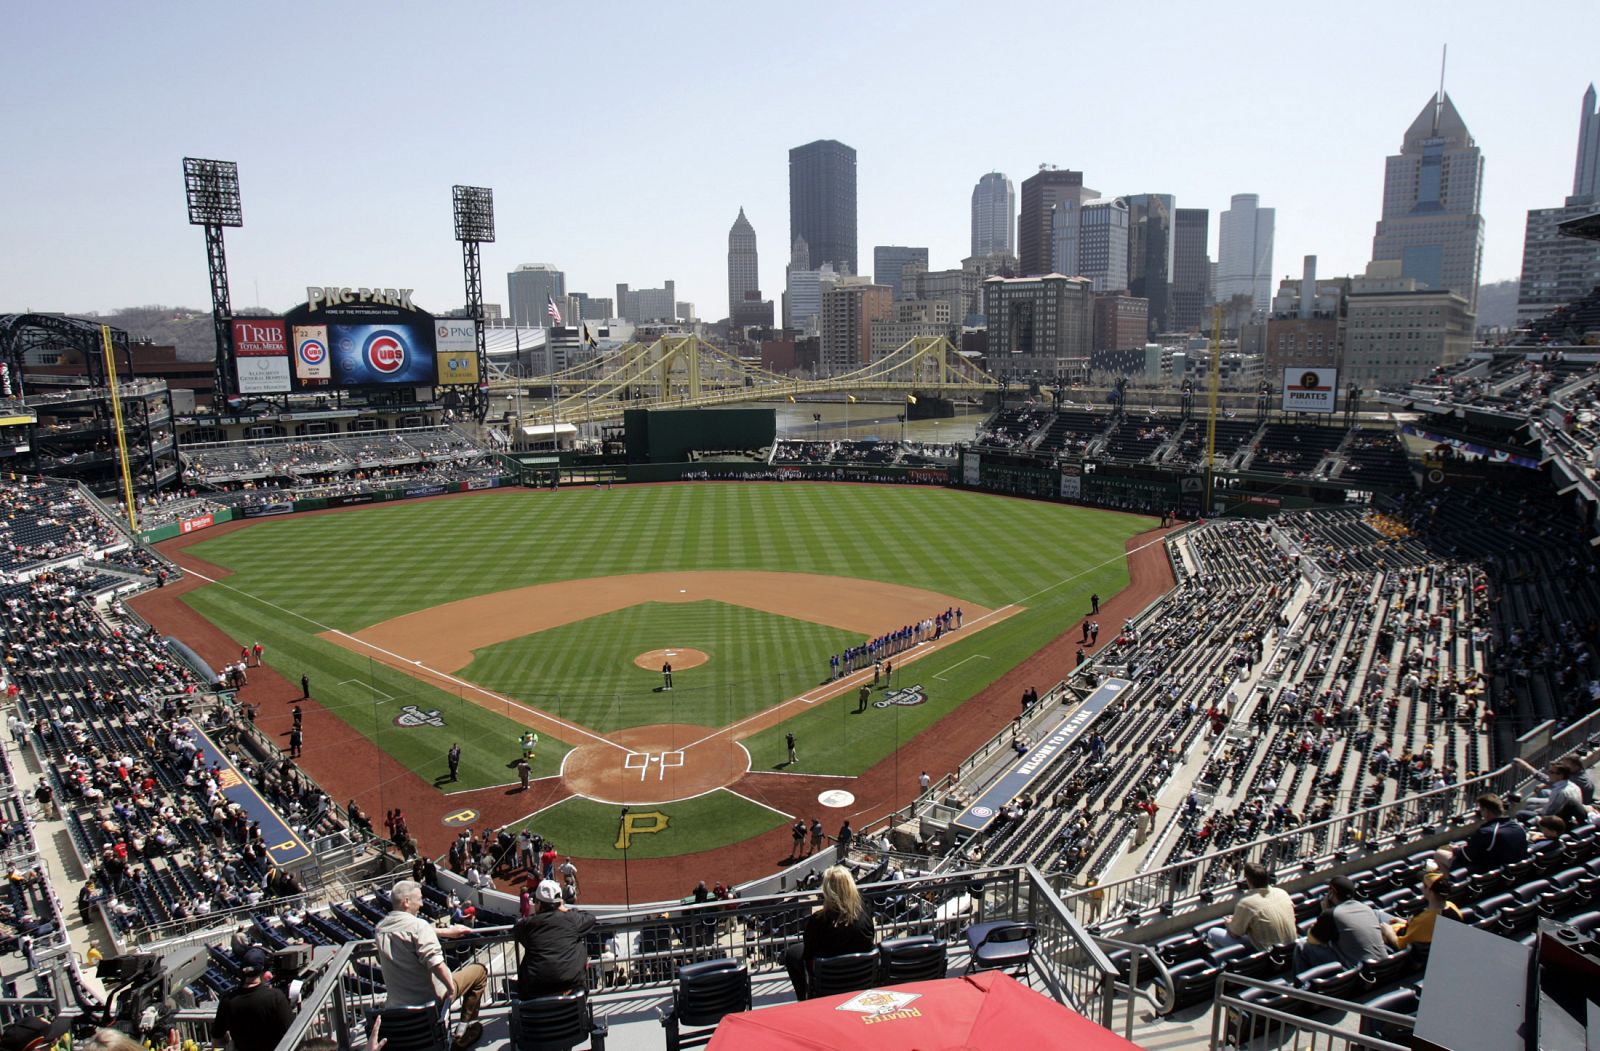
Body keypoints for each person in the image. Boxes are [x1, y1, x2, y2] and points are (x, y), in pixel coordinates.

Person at [374, 879, 487, 1051]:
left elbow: (408, 931)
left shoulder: (380, 928)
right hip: (430, 1000)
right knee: (479, 972)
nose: (421, 903)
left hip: (398, 1007)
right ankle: (464, 1032)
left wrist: (445, 932)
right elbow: (436, 964)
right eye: (418, 899)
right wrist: (450, 989)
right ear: (406, 902)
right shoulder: (419, 925)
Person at [784, 866, 876, 1000]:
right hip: (860, 978)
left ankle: (804, 1000)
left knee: (792, 953)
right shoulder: (864, 915)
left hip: (828, 982)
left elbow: (808, 955)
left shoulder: (818, 921)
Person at [513, 879, 596, 997]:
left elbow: (516, 929)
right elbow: (590, 918)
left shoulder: (529, 925)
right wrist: (566, 909)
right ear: (559, 903)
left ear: (539, 904)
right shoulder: (571, 919)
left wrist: (535, 916)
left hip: (535, 1000)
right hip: (572, 997)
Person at [1294, 875, 1389, 972]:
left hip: (1361, 972)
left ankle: (1299, 985)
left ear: (1332, 893)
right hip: (1384, 966)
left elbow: (1312, 940)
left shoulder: (1331, 914)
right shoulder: (1367, 908)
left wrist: (1324, 912)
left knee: (1301, 945)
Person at [212, 946, 293, 1051]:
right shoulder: (276, 997)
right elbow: (291, 1032)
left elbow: (217, 1037)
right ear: (263, 970)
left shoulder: (228, 1000)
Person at [1205, 863, 1297, 952]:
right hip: (1291, 948)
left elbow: (1235, 934)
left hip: (1268, 954)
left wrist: (1229, 922)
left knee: (1212, 933)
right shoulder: (1282, 893)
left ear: (1248, 880)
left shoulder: (1246, 903)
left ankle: (1230, 965)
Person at [1452, 793, 1528, 873]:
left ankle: (1449, 883)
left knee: (1440, 855)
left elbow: (1466, 856)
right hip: (1514, 871)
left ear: (1486, 810)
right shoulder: (1518, 826)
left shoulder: (1487, 832)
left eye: (1481, 809)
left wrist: (1455, 849)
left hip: (1491, 873)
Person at [1382, 876, 1463, 950]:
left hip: (1406, 952)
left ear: (1430, 892)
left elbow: (1400, 945)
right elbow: (1428, 928)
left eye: (1424, 886)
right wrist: (1408, 923)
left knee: (1376, 916)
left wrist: (1388, 931)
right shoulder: (1453, 908)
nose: (1422, 888)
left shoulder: (1425, 920)